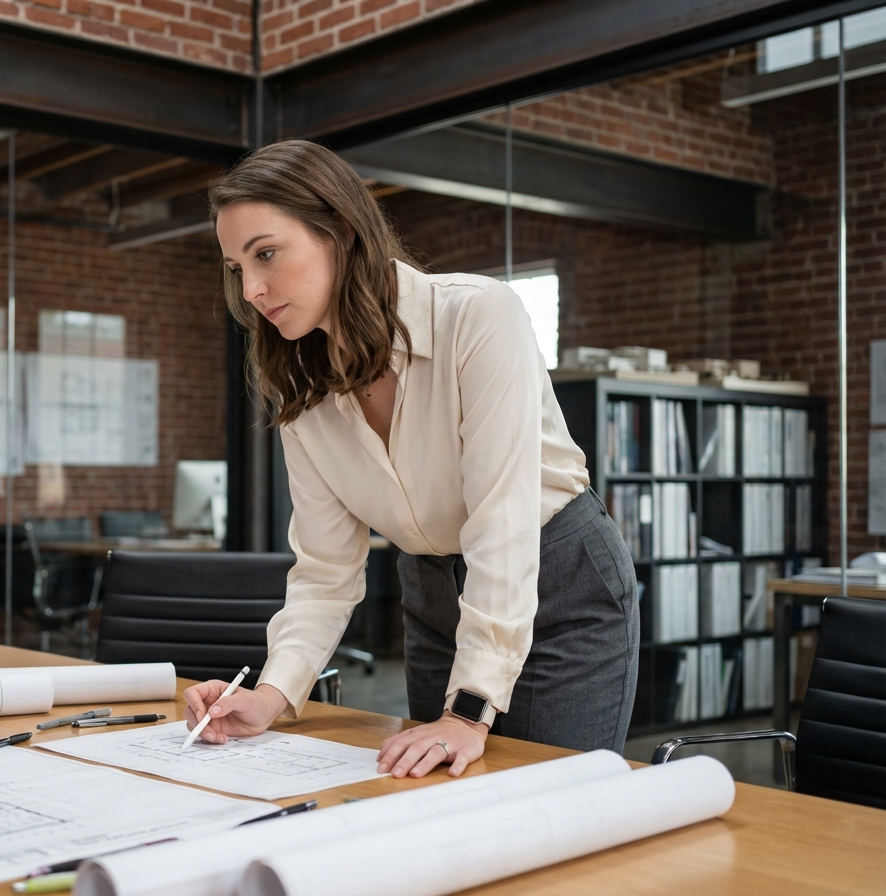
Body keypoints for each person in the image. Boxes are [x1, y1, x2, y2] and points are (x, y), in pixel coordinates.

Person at [184, 140, 639, 780]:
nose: (252, 288)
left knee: (547, 805)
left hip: (556, 580)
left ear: (338, 230)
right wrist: (271, 695)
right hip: (432, 595)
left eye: (266, 254)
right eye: (236, 268)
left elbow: (501, 523)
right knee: (443, 798)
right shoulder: (302, 384)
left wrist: (470, 708)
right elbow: (325, 569)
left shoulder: (479, 317)